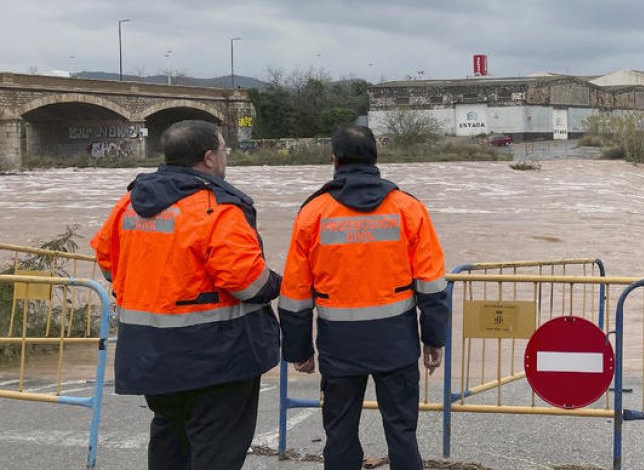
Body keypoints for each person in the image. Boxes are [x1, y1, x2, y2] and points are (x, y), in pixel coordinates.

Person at [90, 120, 281, 470]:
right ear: (209, 158)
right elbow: (247, 283)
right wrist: (278, 283)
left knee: (169, 437)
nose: (225, 157)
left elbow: (107, 262)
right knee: (215, 449)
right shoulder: (217, 206)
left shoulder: (130, 202)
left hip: (150, 353)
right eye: (224, 150)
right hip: (216, 356)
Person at [279, 125, 448, 470]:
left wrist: (299, 349)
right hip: (396, 342)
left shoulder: (314, 213)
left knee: (339, 432)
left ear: (334, 160)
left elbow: (296, 290)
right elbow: (431, 282)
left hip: (339, 345)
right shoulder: (407, 208)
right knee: (402, 431)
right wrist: (434, 338)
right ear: (376, 157)